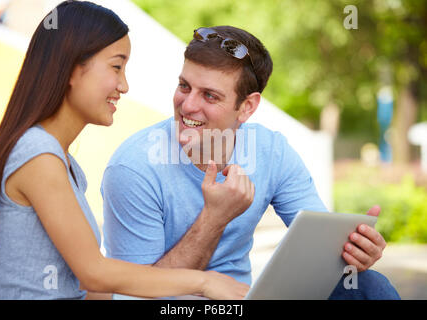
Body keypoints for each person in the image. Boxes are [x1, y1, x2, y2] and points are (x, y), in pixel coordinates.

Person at [101, 26, 400, 299]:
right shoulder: (134, 167)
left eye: (209, 95)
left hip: (244, 299)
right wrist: (214, 218)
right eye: (184, 86)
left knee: (369, 286)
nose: (188, 105)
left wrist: (353, 251)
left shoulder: (272, 151)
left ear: (247, 107)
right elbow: (136, 295)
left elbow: (320, 247)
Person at [0, 2, 249, 300]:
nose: (124, 85)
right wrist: (203, 282)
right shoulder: (38, 155)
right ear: (71, 68)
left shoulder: (61, 161)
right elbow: (95, 273)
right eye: (116, 66)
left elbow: (94, 288)